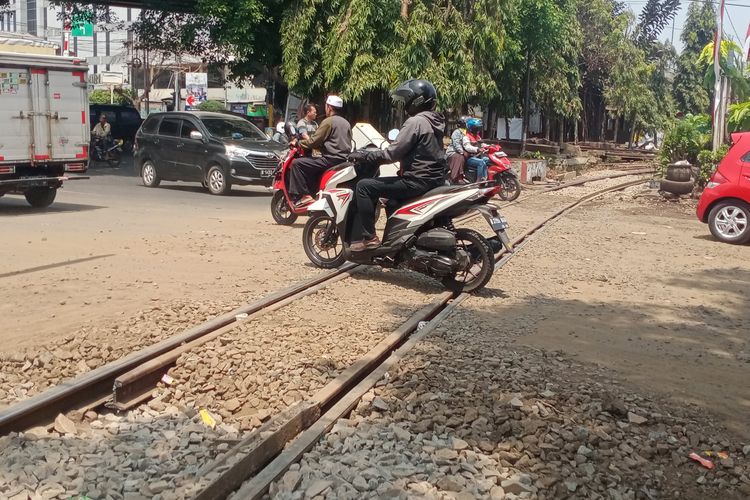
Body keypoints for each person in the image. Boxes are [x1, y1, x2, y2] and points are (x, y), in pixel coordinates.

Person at [347, 79, 447, 251]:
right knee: (391, 201)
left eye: (406, 99)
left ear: (415, 101)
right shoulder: (435, 121)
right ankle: (397, 242)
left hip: (416, 181)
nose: (404, 104)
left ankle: (369, 238)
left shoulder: (416, 122)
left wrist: (364, 155)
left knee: (364, 187)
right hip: (434, 180)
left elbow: (391, 154)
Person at [289, 95, 352, 207]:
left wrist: (298, 143)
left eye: (326, 106)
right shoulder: (346, 123)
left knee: (297, 164)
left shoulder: (328, 121)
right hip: (343, 160)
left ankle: (305, 196)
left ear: (330, 108)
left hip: (330, 159)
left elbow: (314, 141)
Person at [445, 116, 469, 183]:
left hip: (464, 151)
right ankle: (456, 177)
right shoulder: (457, 132)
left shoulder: (467, 132)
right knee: (460, 157)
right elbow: (456, 144)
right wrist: (462, 152)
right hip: (453, 152)